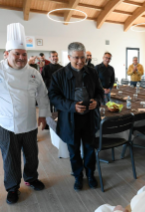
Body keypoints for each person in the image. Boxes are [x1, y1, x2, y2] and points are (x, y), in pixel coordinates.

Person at [0, 23, 51, 204]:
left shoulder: (33, 72)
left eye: (24, 54)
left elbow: (43, 93)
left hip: (29, 122)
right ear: (6, 54)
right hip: (4, 123)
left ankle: (31, 178)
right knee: (11, 158)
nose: (21, 58)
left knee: (32, 155)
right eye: (17, 53)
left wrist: (43, 114)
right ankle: (12, 188)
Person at [49, 42, 104, 191]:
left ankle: (91, 175)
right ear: (68, 57)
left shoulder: (92, 72)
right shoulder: (58, 75)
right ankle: (78, 176)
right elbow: (53, 97)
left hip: (89, 118)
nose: (80, 61)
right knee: (73, 152)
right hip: (70, 120)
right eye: (76, 58)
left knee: (89, 149)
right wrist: (71, 106)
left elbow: (100, 92)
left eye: (83, 58)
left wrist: (97, 102)